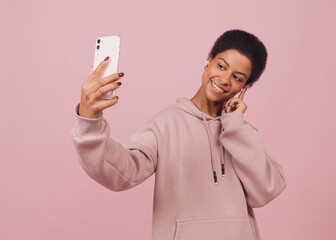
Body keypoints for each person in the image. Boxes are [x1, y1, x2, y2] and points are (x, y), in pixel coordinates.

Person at [70, 29, 287, 240]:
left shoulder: (240, 132)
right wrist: (90, 122)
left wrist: (235, 126)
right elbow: (122, 173)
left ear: (245, 87)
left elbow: (265, 190)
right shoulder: (166, 123)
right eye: (221, 66)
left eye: (238, 78)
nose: (224, 79)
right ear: (208, 61)